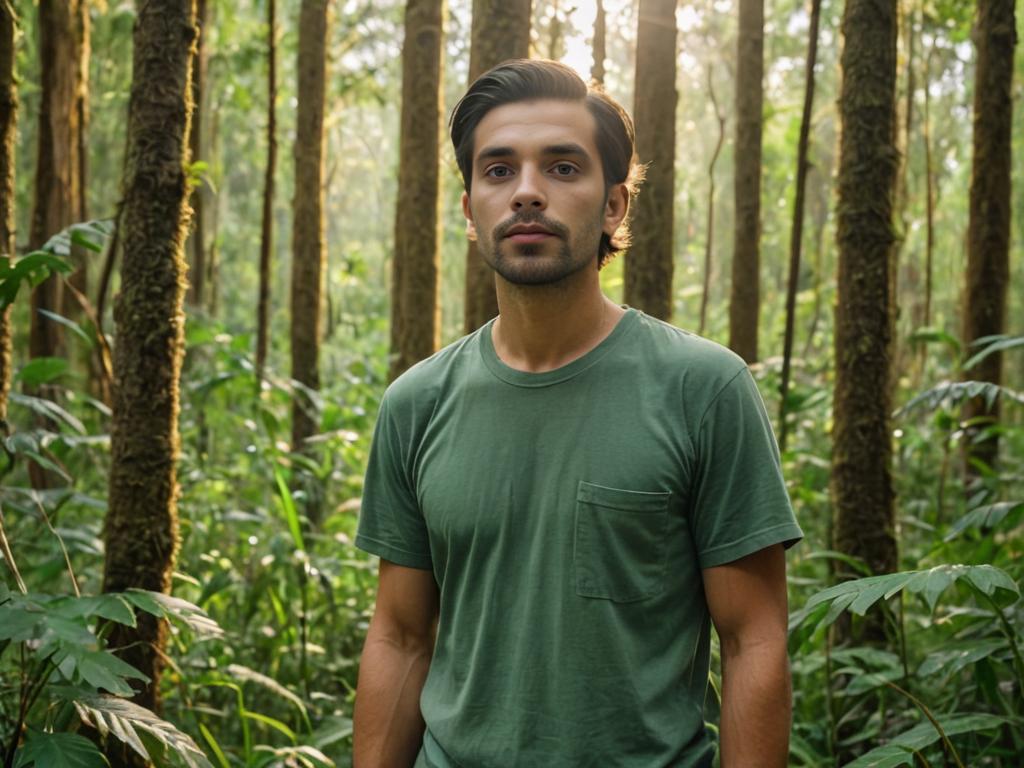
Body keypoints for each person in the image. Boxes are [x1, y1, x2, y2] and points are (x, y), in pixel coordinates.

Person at [352, 59, 803, 768]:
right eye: (498, 171)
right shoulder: (417, 403)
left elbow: (754, 640)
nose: (527, 192)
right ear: (470, 211)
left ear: (615, 205)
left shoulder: (704, 389)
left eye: (563, 168)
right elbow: (400, 636)